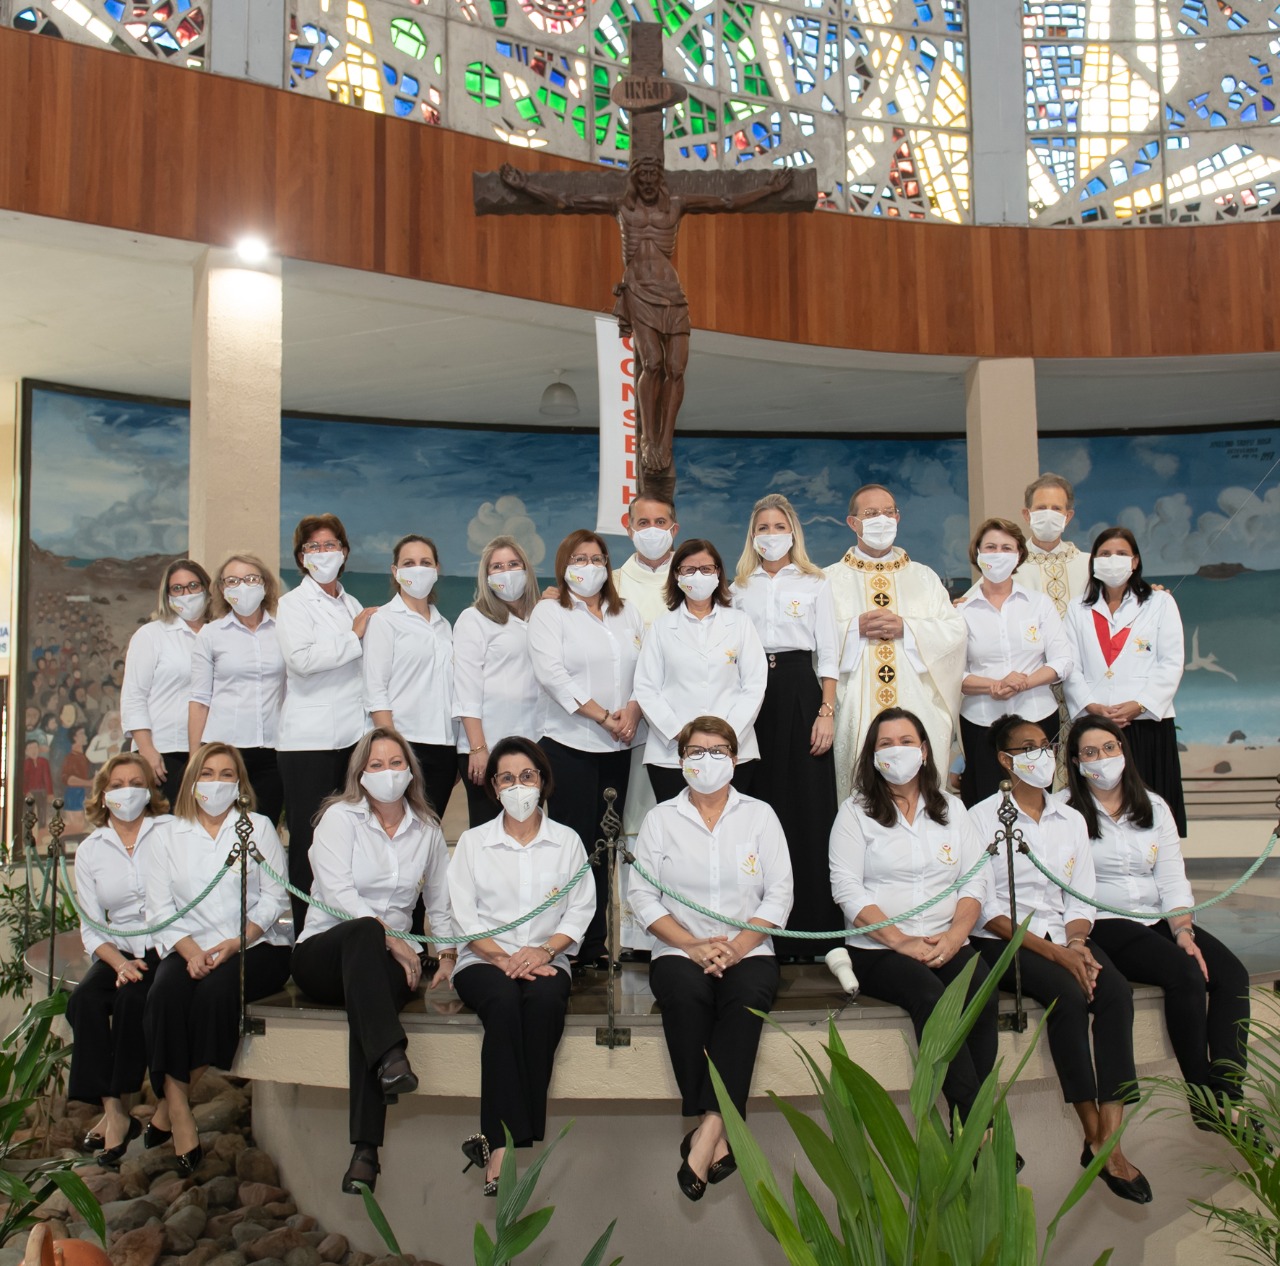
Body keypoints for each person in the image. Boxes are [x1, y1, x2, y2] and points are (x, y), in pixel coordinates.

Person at [498, 160, 792, 481]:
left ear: (660, 179)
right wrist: (525, 186)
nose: (649, 181)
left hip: (672, 293)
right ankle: (649, 438)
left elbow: (727, 201)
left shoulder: (676, 205)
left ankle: (665, 440)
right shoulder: (621, 206)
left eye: (654, 175)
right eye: (644, 175)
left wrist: (769, 189)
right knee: (652, 363)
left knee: (676, 368)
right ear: (635, 180)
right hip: (638, 290)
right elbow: (566, 201)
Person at [970, 714, 1149, 1204]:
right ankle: (1092, 1132)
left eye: (1045, 744)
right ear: (1005, 760)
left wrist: (1076, 944)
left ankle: (1110, 1137)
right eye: (1027, 747)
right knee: (1068, 997)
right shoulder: (981, 819)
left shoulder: (1070, 817)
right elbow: (986, 909)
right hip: (1006, 939)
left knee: (1114, 992)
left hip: (1063, 937)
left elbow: (1080, 896)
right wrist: (1054, 953)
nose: (1042, 754)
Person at [628, 717, 793, 1201]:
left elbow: (780, 893)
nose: (707, 760)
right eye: (696, 752)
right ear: (681, 761)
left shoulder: (760, 816)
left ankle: (706, 1133)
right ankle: (716, 1134)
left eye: (718, 750)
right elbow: (642, 896)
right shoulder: (660, 820)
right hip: (679, 949)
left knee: (746, 1001)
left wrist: (737, 947)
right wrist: (692, 945)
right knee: (685, 996)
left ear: (735, 759)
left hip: (750, 948)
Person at [1064, 715, 1250, 1127]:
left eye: (1109, 747)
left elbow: (1171, 878)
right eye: (1090, 752)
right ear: (1076, 762)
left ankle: (1229, 1092)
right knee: (1184, 975)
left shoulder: (1153, 805)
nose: (1102, 758)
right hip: (1104, 920)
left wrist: (1183, 930)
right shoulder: (1065, 812)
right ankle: (1205, 1101)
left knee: (1231, 975)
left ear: (1123, 750)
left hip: (1158, 917)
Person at [292, 728, 455, 1194]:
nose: (388, 772)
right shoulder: (338, 818)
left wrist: (446, 955)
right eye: (377, 765)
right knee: (365, 931)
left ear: (411, 770)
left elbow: (440, 902)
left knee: (370, 1002)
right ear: (360, 774)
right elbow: (338, 893)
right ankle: (390, 1055)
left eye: (396, 763)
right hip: (324, 954)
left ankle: (367, 1147)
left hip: (384, 968)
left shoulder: (427, 829)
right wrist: (394, 941)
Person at [828, 708, 997, 1129]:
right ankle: (977, 1127)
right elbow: (846, 888)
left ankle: (972, 1125)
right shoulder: (855, 812)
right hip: (879, 948)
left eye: (906, 742)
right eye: (885, 744)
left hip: (946, 940)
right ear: (872, 756)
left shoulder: (953, 809)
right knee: (929, 996)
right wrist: (900, 940)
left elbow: (975, 881)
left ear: (923, 751)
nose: (897, 751)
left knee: (981, 990)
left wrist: (956, 936)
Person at [448, 737, 595, 1195]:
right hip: (482, 959)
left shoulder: (567, 842)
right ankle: (505, 1144)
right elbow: (463, 915)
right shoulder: (473, 843)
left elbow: (580, 910)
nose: (518, 786)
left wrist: (544, 952)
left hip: (547, 958)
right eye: (507, 778)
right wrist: (502, 957)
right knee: (503, 1003)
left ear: (542, 781)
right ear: (494, 787)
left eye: (527, 776)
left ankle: (497, 1141)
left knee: (545, 1003)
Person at [143, 742, 292, 1175]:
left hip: (254, 946)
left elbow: (275, 897)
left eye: (227, 775)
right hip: (188, 944)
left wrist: (235, 943)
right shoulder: (167, 834)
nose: (217, 783)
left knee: (217, 993)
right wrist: (190, 952)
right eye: (207, 774)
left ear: (240, 784)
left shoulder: (258, 827)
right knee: (164, 994)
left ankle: (171, 1104)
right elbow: (159, 908)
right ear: (192, 781)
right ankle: (180, 1109)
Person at [731, 493, 841, 957]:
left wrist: (826, 712)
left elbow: (829, 653)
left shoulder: (815, 582)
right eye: (763, 527)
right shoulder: (737, 588)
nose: (771, 535)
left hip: (801, 691)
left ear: (793, 533)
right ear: (752, 536)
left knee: (808, 806)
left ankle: (814, 927)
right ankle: (762, 930)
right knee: (761, 803)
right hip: (753, 694)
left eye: (779, 527)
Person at [528, 530, 645, 966]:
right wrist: (602, 716)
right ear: (563, 565)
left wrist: (632, 711)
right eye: (579, 558)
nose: (589, 567)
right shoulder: (550, 612)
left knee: (607, 847)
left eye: (597, 558)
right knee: (573, 850)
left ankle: (597, 944)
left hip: (620, 747)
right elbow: (552, 674)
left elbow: (645, 669)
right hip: (569, 744)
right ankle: (567, 944)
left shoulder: (627, 612)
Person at [825, 483, 966, 804]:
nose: (882, 519)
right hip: (855, 707)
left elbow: (954, 632)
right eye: (871, 513)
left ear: (899, 518)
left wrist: (909, 629)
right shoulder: (828, 580)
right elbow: (812, 643)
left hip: (917, 701)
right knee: (860, 798)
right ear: (852, 523)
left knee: (921, 796)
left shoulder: (924, 577)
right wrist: (853, 629)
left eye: (889, 512)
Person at [66, 753, 172, 1166]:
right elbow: (92, 926)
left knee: (132, 1002)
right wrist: (120, 964)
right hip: (119, 949)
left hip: (165, 944)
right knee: (84, 1001)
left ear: (148, 790)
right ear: (103, 793)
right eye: (117, 784)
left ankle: (120, 1111)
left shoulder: (170, 832)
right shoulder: (91, 849)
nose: (126, 791)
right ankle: (115, 1112)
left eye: (135, 783)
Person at [276, 514, 377, 927]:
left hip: (353, 738)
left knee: (348, 837)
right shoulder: (292, 604)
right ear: (301, 557)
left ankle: (344, 927)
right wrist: (353, 636)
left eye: (330, 545)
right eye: (313, 547)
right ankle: (306, 932)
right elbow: (301, 661)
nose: (323, 553)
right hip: (308, 743)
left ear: (345, 551)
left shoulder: (351, 604)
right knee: (309, 838)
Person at [1061, 527, 1187, 836]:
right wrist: (1091, 706)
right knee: (1097, 812)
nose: (1112, 560)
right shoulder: (1077, 608)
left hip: (1145, 723)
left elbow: (1171, 662)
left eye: (1121, 554)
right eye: (1104, 554)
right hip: (1096, 724)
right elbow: (1070, 666)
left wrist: (1139, 704)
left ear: (1135, 561)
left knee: (1149, 809)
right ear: (1094, 561)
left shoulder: (1160, 602)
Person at [634, 538, 767, 803]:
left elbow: (754, 685)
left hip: (734, 751)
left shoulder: (740, 623)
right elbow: (646, 687)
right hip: (671, 754)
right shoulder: (661, 628)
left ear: (718, 573)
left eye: (706, 569)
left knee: (732, 824)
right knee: (676, 824)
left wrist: (725, 737)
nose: (698, 575)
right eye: (689, 569)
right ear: (676, 575)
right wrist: (682, 736)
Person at [957, 518, 1072, 806]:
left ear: (1019, 554)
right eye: (990, 547)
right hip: (981, 721)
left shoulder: (1039, 604)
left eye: (1006, 548)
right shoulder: (959, 610)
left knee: (1036, 800)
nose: (998, 554)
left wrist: (1024, 682)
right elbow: (952, 674)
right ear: (978, 553)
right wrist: (993, 685)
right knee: (985, 802)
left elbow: (1063, 661)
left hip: (1037, 716)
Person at [612, 494, 679, 961]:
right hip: (630, 728)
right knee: (634, 824)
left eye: (660, 521)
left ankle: (688, 924)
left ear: (674, 528)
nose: (651, 529)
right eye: (642, 522)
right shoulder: (613, 583)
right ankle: (637, 934)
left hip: (685, 726)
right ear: (628, 526)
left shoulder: (693, 576)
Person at [363, 534, 457, 818]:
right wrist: (393, 750)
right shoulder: (384, 620)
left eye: (425, 562)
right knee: (395, 829)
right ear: (395, 571)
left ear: (437, 569)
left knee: (429, 831)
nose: (418, 569)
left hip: (444, 747)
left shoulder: (445, 626)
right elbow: (375, 691)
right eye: (409, 563)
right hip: (404, 746)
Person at [188, 554, 286, 825]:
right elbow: (199, 700)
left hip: (273, 749)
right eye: (232, 581)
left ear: (265, 584)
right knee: (220, 826)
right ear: (222, 589)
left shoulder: (283, 631)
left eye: (251, 579)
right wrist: (195, 758)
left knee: (263, 828)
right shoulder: (211, 634)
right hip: (223, 750)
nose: (242, 587)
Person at [454, 536, 542, 829]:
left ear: (527, 569)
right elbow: (466, 687)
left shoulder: (540, 617)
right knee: (488, 833)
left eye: (514, 564)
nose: (507, 572)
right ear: (486, 575)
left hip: (533, 745)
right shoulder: (473, 619)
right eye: (497, 566)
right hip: (488, 748)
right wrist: (478, 748)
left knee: (529, 830)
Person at [121, 560, 212, 805]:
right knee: (167, 824)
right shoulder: (151, 635)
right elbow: (134, 696)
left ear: (206, 589)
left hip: (211, 750)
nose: (187, 594)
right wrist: (147, 750)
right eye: (177, 588)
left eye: (193, 586)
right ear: (167, 595)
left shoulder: (218, 633)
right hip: (163, 751)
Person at [1014, 473, 1091, 616]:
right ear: (1027, 515)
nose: (1048, 515)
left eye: (1056, 508)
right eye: (1041, 508)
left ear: (1067, 517)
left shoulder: (1089, 565)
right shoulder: (1010, 565)